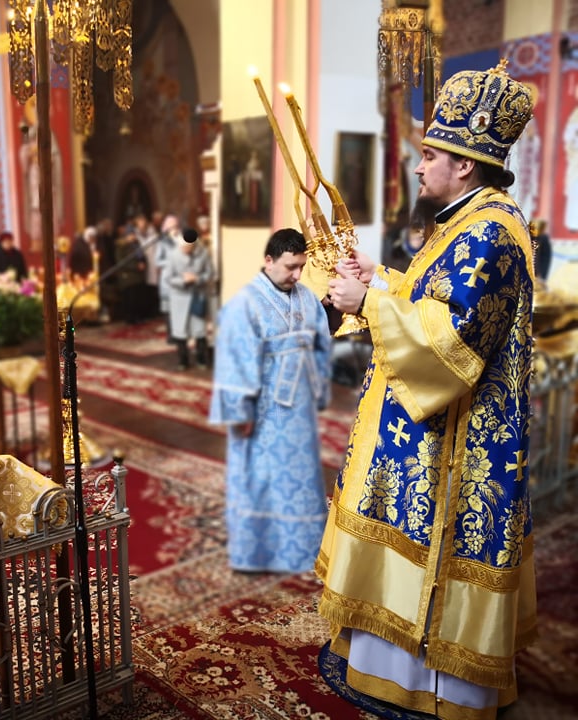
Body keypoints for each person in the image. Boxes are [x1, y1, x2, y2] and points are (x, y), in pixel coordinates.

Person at [318, 62, 537, 720]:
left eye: (429, 156)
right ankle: (382, 667)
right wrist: (379, 281)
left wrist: (366, 302)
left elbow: (453, 343)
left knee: (430, 564)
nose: (418, 168)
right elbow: (430, 298)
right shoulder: (464, 222)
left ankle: (427, 689)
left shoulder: (491, 233)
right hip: (423, 435)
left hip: (455, 451)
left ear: (464, 165)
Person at [208, 228, 331, 572]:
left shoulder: (307, 299)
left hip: (299, 410)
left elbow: (321, 342)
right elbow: (233, 358)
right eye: (291, 266)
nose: (297, 275)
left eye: (301, 267)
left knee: (299, 480)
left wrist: (319, 389)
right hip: (261, 411)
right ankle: (258, 554)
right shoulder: (245, 303)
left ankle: (302, 551)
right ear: (269, 260)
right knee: (258, 479)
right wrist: (238, 412)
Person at [164, 231, 213, 370]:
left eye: (189, 247)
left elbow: (210, 272)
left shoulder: (203, 253)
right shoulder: (173, 255)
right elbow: (168, 277)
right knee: (180, 331)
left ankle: (201, 359)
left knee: (199, 330)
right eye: (184, 248)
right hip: (179, 297)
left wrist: (197, 278)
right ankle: (183, 360)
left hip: (197, 296)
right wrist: (183, 280)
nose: (186, 250)